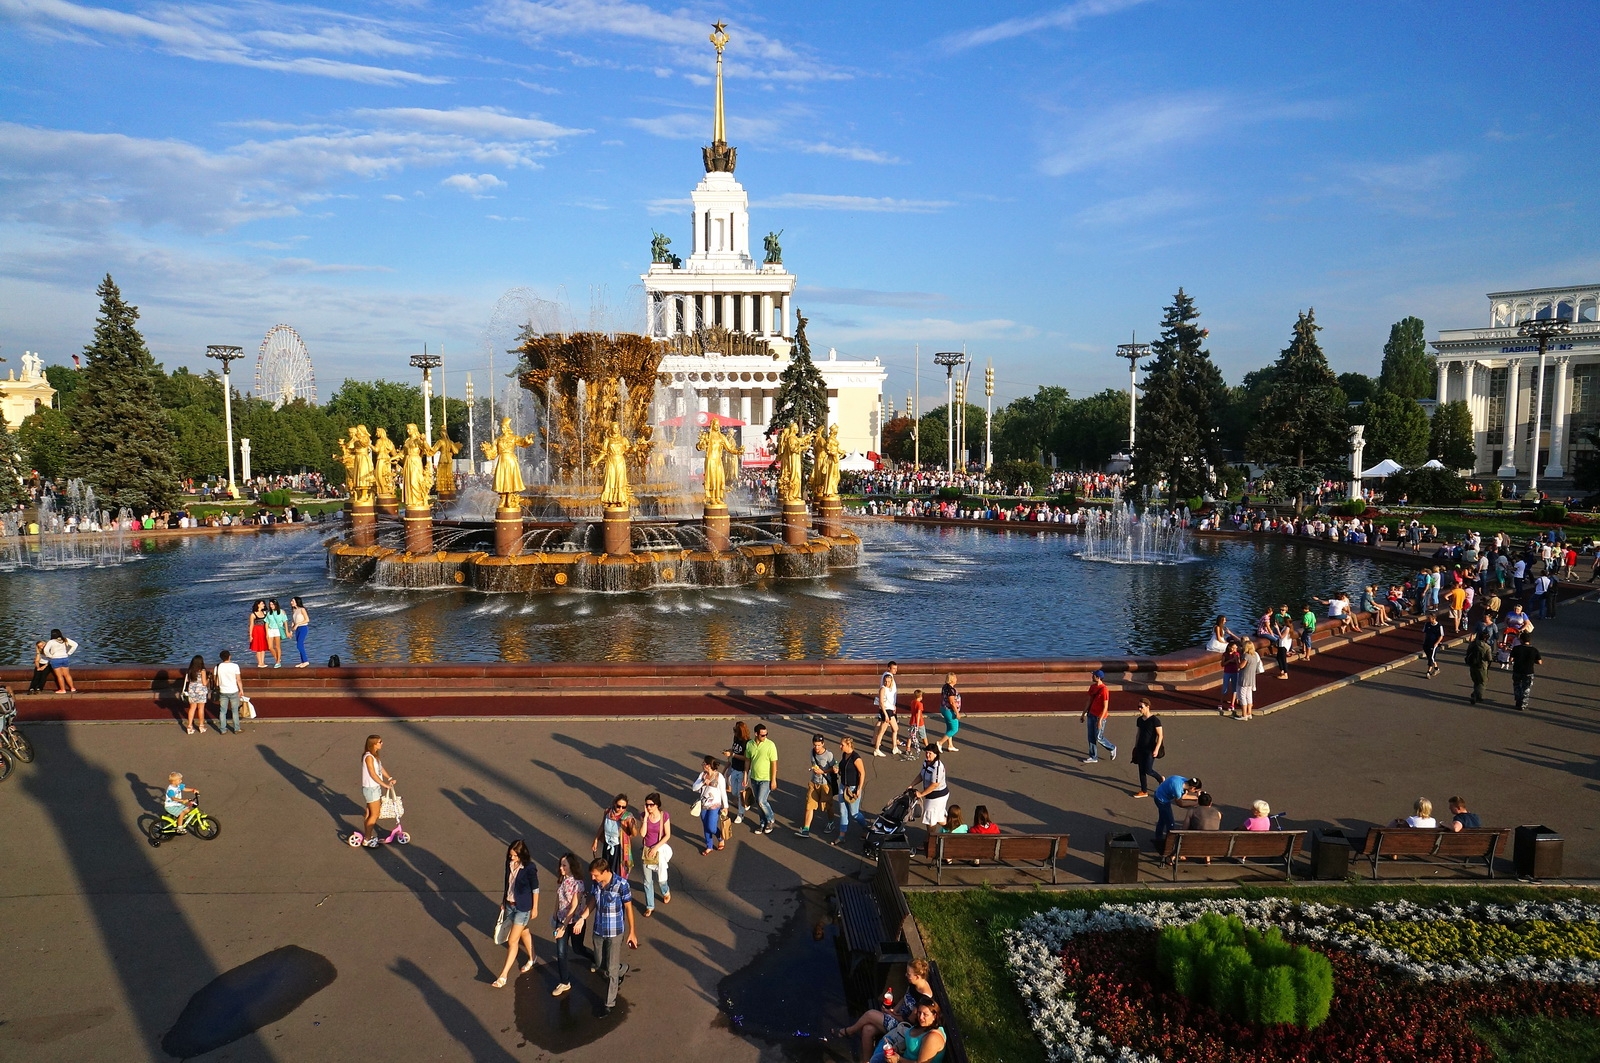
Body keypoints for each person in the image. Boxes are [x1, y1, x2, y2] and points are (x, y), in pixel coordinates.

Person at [836, 958, 934, 1063]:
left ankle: (849, 1031)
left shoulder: (923, 998)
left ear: (917, 976)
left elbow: (909, 1020)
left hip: (903, 1027)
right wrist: (893, 1010)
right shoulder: (915, 984)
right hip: (898, 1017)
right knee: (867, 1029)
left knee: (870, 1014)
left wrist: (891, 1014)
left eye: (908, 974)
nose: (906, 975)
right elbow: (904, 998)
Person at [581, 857, 637, 1016]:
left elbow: (628, 908)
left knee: (611, 970)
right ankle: (622, 968)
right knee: (600, 963)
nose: (593, 878)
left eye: (595, 875)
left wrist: (632, 932)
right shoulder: (597, 884)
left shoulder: (622, 885)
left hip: (615, 932)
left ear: (605, 871)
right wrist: (583, 917)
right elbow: (593, 901)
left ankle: (609, 1004)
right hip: (599, 930)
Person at [491, 839, 539, 988]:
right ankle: (532, 957)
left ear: (522, 854)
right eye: (510, 855)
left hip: (522, 908)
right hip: (510, 905)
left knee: (512, 941)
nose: (512, 858)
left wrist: (535, 908)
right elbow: (507, 883)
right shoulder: (509, 863)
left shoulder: (529, 868)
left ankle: (503, 976)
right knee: (524, 931)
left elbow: (535, 889)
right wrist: (503, 901)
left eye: (515, 855)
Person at [548, 852, 593, 997]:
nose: (561, 868)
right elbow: (558, 897)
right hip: (561, 920)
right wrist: (555, 913)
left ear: (571, 866)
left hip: (574, 922)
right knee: (561, 952)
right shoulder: (562, 880)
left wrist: (563, 926)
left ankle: (597, 960)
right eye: (560, 865)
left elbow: (573, 907)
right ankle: (564, 982)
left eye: (564, 865)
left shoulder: (578, 884)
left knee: (578, 948)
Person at [875, 996, 946, 1063]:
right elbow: (912, 1042)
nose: (920, 1017)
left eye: (925, 1014)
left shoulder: (933, 1037)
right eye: (919, 1012)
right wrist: (898, 1047)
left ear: (934, 1016)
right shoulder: (923, 1025)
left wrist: (898, 1059)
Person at [637, 793, 672, 915]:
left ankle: (665, 891)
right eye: (646, 805)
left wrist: (656, 848)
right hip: (647, 851)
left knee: (661, 878)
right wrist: (646, 818)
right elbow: (642, 834)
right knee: (647, 881)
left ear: (657, 805)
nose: (648, 807)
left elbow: (667, 835)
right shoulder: (644, 816)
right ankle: (650, 906)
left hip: (659, 850)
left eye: (651, 805)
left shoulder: (664, 816)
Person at [359, 734, 397, 846]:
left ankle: (367, 836)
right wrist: (384, 785)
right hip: (371, 789)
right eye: (380, 742)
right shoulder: (369, 757)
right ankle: (367, 839)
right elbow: (372, 774)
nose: (382, 743)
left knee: (369, 813)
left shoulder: (374, 755)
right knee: (375, 814)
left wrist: (389, 778)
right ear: (373, 744)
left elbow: (380, 768)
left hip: (374, 788)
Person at [910, 747, 950, 846]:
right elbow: (921, 775)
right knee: (939, 817)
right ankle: (954, 829)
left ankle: (930, 841)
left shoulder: (937, 767)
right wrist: (912, 785)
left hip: (937, 797)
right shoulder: (926, 762)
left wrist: (921, 794)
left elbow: (935, 784)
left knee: (930, 820)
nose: (927, 755)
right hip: (932, 796)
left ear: (936, 754)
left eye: (930, 753)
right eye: (926, 753)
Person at [591, 794, 637, 879]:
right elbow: (602, 826)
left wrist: (632, 826)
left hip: (619, 848)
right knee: (605, 867)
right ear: (614, 804)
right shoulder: (608, 812)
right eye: (618, 806)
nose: (620, 809)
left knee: (617, 871)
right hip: (607, 845)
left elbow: (634, 834)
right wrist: (596, 840)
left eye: (623, 807)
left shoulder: (627, 817)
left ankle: (617, 885)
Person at [832, 736, 867, 846]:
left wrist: (859, 789)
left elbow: (862, 773)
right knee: (843, 811)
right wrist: (837, 770)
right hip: (843, 786)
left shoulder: (856, 758)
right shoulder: (844, 755)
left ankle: (866, 828)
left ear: (849, 745)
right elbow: (843, 769)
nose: (840, 746)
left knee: (854, 813)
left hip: (853, 789)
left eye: (842, 745)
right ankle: (841, 836)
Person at [799, 734, 836, 837]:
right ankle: (806, 829)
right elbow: (814, 764)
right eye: (815, 745)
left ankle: (831, 822)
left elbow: (834, 767)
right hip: (814, 783)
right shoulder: (812, 752)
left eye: (819, 745)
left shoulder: (828, 755)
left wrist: (823, 771)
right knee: (809, 805)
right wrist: (813, 768)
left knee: (827, 806)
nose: (817, 747)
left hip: (825, 784)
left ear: (823, 744)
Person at [691, 756, 728, 855]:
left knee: (711, 827)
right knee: (705, 826)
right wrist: (703, 782)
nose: (702, 765)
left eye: (704, 763)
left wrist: (726, 806)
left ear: (708, 765)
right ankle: (709, 846)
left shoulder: (719, 776)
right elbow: (694, 788)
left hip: (715, 806)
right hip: (704, 804)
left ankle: (720, 837)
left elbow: (723, 792)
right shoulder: (702, 775)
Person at [746, 723, 779, 834]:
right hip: (754, 777)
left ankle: (770, 819)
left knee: (761, 801)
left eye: (766, 734)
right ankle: (762, 823)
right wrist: (745, 775)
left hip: (766, 778)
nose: (765, 737)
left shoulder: (770, 745)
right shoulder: (749, 744)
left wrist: (773, 780)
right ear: (756, 734)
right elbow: (747, 760)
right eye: (763, 735)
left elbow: (774, 763)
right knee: (758, 802)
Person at [1153, 774, 1203, 847]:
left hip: (1159, 792)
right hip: (1161, 800)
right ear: (1192, 787)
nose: (1195, 792)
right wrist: (1196, 803)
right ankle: (1170, 845)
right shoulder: (1177, 789)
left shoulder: (1184, 781)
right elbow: (1180, 803)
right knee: (1170, 824)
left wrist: (1197, 798)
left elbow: (1184, 796)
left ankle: (1158, 838)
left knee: (1163, 819)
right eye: (1195, 791)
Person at [1130, 698, 1164, 798]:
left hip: (1150, 749)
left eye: (1141, 707)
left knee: (1148, 770)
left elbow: (1160, 735)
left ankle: (1160, 779)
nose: (1139, 709)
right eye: (1138, 707)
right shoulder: (1139, 720)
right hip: (1140, 748)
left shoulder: (1155, 720)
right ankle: (1144, 791)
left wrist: (1156, 749)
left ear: (1147, 707)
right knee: (1141, 770)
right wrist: (1135, 746)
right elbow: (1138, 733)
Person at [1080, 669, 1116, 764]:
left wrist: (1100, 720)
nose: (1092, 677)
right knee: (1091, 736)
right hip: (1091, 714)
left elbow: (1105, 707)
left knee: (1098, 737)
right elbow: (1089, 701)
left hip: (1099, 717)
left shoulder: (1104, 690)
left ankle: (1112, 747)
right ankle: (1093, 756)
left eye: (1094, 675)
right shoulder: (1092, 687)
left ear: (1098, 677)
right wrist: (1083, 714)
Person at [723, 721, 752, 825]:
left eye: (735, 731)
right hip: (734, 768)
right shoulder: (736, 739)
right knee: (734, 792)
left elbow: (746, 758)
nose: (734, 733)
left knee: (740, 793)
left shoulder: (747, 743)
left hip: (742, 771)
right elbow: (735, 749)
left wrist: (733, 755)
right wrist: (729, 751)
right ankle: (746, 800)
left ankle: (741, 814)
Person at [871, 662, 900, 756]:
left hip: (890, 709)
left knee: (895, 728)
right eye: (894, 668)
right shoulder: (883, 688)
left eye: (889, 681)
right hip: (886, 710)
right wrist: (886, 714)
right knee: (882, 730)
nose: (887, 683)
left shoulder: (889, 686)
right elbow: (882, 702)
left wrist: (894, 706)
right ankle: (877, 748)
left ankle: (895, 747)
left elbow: (891, 697)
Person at [1510, 631, 1542, 712]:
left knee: (1517, 686)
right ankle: (1523, 704)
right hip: (1528, 671)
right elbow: (1540, 662)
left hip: (1517, 670)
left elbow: (1511, 659)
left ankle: (1518, 701)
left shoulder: (1516, 648)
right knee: (1526, 688)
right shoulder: (1534, 650)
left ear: (1521, 640)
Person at [214, 650, 244, 733]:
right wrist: (241, 690)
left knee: (222, 711)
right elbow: (238, 679)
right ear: (229, 656)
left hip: (223, 691)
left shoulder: (217, 667)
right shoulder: (235, 666)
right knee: (235, 711)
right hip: (233, 690)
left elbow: (216, 682)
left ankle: (223, 729)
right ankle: (237, 728)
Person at [182, 654, 210, 734]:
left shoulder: (190, 670)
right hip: (201, 691)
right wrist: (208, 678)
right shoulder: (202, 671)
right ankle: (201, 726)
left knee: (192, 708)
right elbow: (204, 683)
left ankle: (189, 726)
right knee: (201, 709)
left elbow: (187, 680)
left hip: (192, 691)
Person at [43, 629, 78, 694]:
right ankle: (72, 688)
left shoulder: (51, 642)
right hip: (65, 658)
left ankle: (62, 689)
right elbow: (75, 645)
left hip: (55, 659)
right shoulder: (65, 640)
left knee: (59, 676)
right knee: (67, 674)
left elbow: (45, 650)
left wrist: (50, 656)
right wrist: (69, 653)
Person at [1464, 630, 1492, 705]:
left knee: (1476, 681)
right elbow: (1489, 658)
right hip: (1482, 666)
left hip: (1472, 664)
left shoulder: (1472, 644)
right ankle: (1476, 695)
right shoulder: (1487, 647)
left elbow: (1467, 653)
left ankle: (1477, 694)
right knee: (1483, 682)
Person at [1235, 640, 1261, 721]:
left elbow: (1241, 666)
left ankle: (1244, 714)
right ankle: (1249, 713)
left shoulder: (1246, 655)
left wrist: (1237, 660)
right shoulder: (1255, 655)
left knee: (1242, 696)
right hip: (1251, 678)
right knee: (1249, 695)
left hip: (1244, 678)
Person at [935, 672, 961, 752]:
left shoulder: (945, 686)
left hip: (943, 708)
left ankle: (950, 745)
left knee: (949, 727)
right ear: (952, 679)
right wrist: (957, 713)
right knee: (954, 729)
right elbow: (952, 702)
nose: (956, 679)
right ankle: (940, 743)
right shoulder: (951, 690)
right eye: (955, 678)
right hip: (949, 710)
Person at [264, 598, 288, 667]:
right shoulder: (269, 613)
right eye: (270, 604)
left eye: (272, 604)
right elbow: (266, 623)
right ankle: (277, 659)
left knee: (277, 646)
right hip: (270, 630)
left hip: (277, 630)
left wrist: (287, 631)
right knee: (270, 647)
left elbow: (285, 622)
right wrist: (266, 633)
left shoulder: (281, 612)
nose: (271, 606)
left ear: (276, 604)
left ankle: (277, 662)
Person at [903, 691, 927, 758]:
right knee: (923, 735)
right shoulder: (920, 704)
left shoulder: (912, 702)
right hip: (919, 722)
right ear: (920, 696)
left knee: (911, 735)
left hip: (912, 721)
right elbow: (918, 714)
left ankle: (908, 748)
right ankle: (927, 746)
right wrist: (918, 723)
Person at [1421, 612, 1445, 679]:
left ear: (1434, 618)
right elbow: (1424, 633)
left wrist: (1436, 643)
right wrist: (1424, 641)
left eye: (1430, 618)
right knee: (1430, 657)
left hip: (1433, 644)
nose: (1428, 619)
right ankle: (1436, 668)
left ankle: (1428, 672)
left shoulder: (1439, 626)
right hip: (1426, 643)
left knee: (1431, 658)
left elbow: (1441, 636)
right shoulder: (1427, 624)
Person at [289, 597, 311, 667]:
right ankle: (302, 661)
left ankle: (306, 661)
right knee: (299, 645)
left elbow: (307, 620)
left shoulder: (302, 609)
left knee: (299, 645)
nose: (291, 602)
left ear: (297, 602)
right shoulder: (294, 610)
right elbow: (293, 621)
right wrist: (291, 631)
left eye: (293, 601)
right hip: (297, 629)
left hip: (303, 628)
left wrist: (298, 624)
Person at [248, 600, 269, 667]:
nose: (264, 605)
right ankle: (259, 663)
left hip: (263, 630)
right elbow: (251, 625)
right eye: (262, 604)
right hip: (257, 631)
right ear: (258, 605)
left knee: (263, 646)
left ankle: (262, 662)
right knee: (258, 647)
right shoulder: (253, 614)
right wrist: (250, 635)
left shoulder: (265, 613)